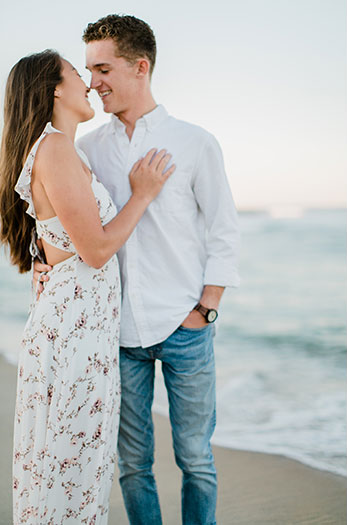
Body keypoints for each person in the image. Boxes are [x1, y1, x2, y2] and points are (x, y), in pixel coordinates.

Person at [33, 15, 240, 524]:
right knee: (132, 464)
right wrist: (42, 262)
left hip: (185, 326)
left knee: (196, 459)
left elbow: (223, 231)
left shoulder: (194, 142)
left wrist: (206, 309)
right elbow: (61, 219)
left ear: (140, 67)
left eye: (102, 68)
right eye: (86, 70)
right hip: (115, 332)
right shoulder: (86, 150)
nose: (92, 81)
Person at [0, 49, 173, 524]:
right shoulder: (53, 147)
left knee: (69, 467)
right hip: (72, 334)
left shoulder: (60, 149)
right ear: (55, 89)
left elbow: (56, 239)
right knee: (68, 469)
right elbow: (95, 251)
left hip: (80, 329)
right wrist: (141, 196)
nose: (90, 84)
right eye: (78, 74)